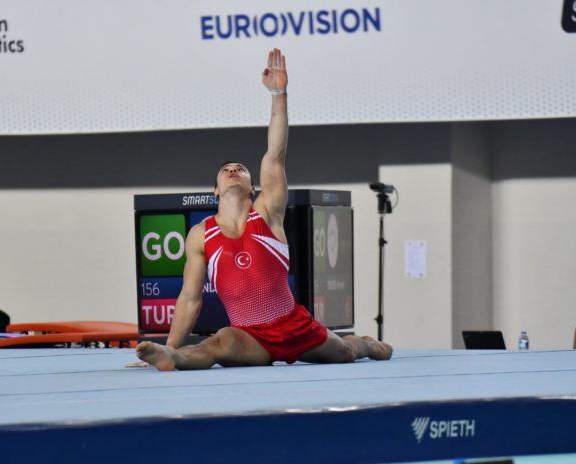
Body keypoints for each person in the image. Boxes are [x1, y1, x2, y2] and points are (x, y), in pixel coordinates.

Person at [134, 48, 392, 371]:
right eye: (226, 169)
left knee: (344, 352)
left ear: (253, 186)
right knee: (219, 342)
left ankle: (366, 343)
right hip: (251, 337)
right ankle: (171, 357)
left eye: (239, 168)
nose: (232, 170)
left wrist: (278, 95)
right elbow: (190, 298)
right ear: (215, 190)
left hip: (293, 325)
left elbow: (275, 152)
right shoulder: (200, 236)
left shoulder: (267, 211)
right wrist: (170, 345)